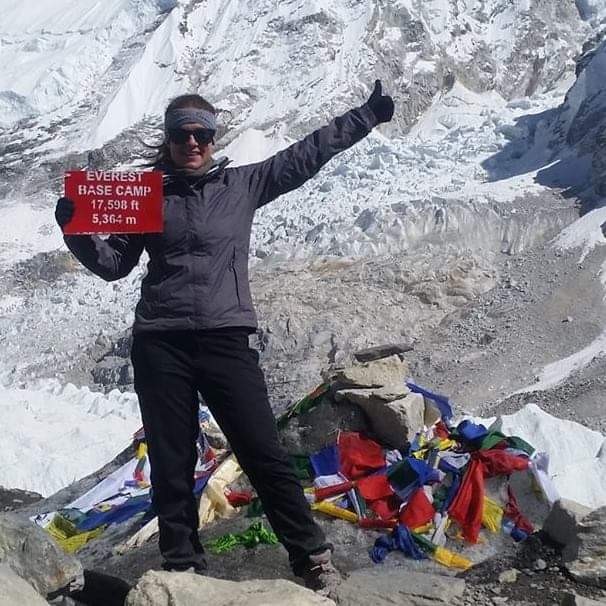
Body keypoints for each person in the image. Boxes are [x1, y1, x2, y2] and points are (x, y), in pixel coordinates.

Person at [54, 80, 394, 597]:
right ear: (168, 140)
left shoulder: (243, 184)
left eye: (202, 133)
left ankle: (311, 557)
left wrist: (365, 116)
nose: (192, 141)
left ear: (213, 139)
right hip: (160, 343)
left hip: (225, 340)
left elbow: (305, 155)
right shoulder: (145, 198)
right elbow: (113, 266)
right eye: (181, 133)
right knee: (170, 461)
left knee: (263, 451)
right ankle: (183, 565)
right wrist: (75, 229)